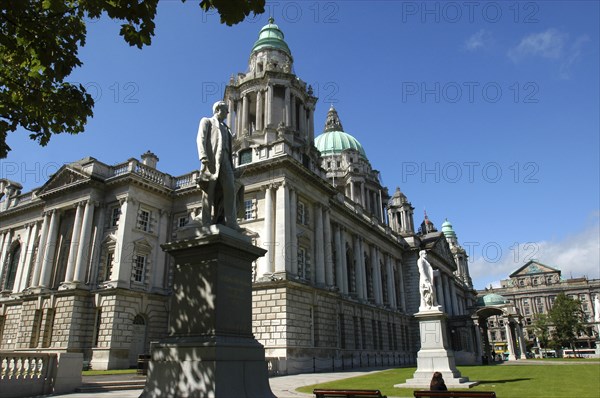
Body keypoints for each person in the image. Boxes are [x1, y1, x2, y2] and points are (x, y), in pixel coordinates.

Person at [197, 101, 240, 230]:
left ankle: (231, 222)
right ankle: (205, 222)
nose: (228, 113)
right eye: (226, 110)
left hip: (226, 160)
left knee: (230, 189)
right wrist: (203, 155)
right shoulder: (207, 121)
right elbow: (201, 138)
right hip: (212, 160)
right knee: (209, 193)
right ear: (218, 109)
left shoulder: (227, 129)